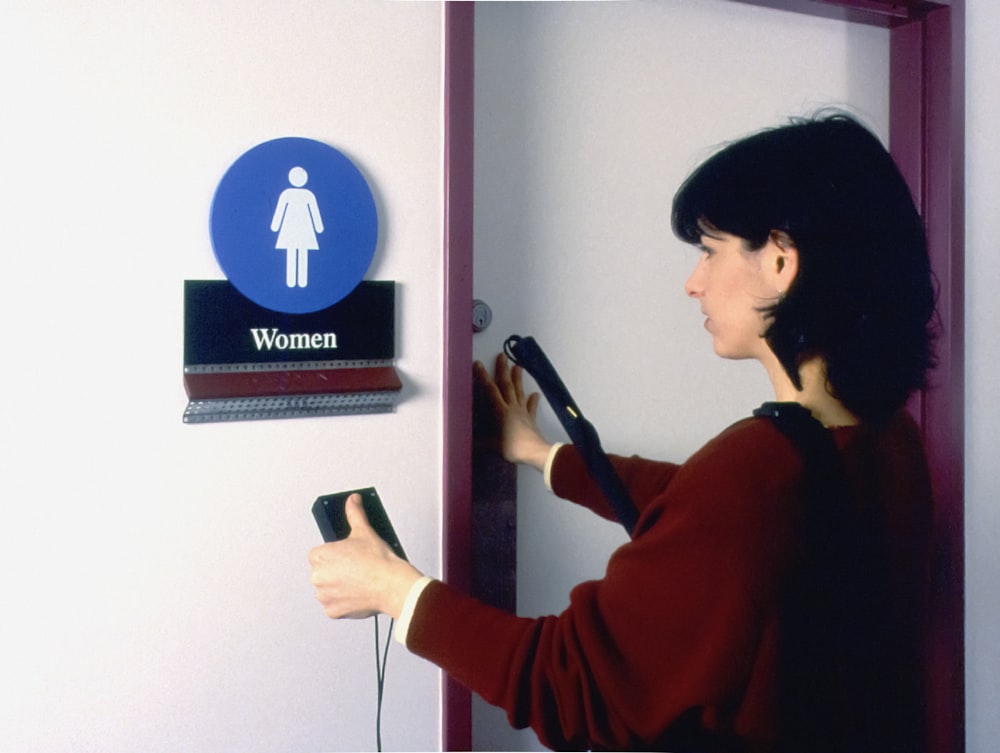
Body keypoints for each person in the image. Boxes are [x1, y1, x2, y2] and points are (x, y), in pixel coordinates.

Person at [308, 112, 936, 752]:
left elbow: (566, 682)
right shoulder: (886, 441)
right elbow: (698, 513)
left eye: (710, 251)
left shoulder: (756, 470)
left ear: (780, 260)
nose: (694, 282)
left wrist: (393, 589)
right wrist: (540, 453)